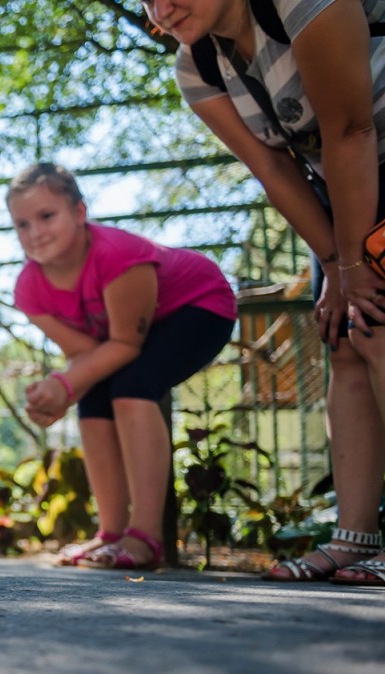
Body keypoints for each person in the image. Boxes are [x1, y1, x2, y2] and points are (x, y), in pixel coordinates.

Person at [149, 0, 385, 585]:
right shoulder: (196, 67)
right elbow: (276, 171)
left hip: (367, 158)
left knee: (378, 327)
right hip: (344, 189)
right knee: (345, 342)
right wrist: (334, 264)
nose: (160, 8)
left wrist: (354, 263)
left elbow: (350, 129)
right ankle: (355, 539)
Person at [8, 163, 238, 569]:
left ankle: (146, 538)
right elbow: (87, 353)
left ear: (80, 213)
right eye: (22, 224)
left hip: (198, 307)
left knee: (133, 386)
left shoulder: (117, 254)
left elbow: (125, 345)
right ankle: (110, 534)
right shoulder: (29, 288)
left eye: (47, 216)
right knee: (94, 398)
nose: (35, 232)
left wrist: (63, 383)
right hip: (125, 339)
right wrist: (63, 391)